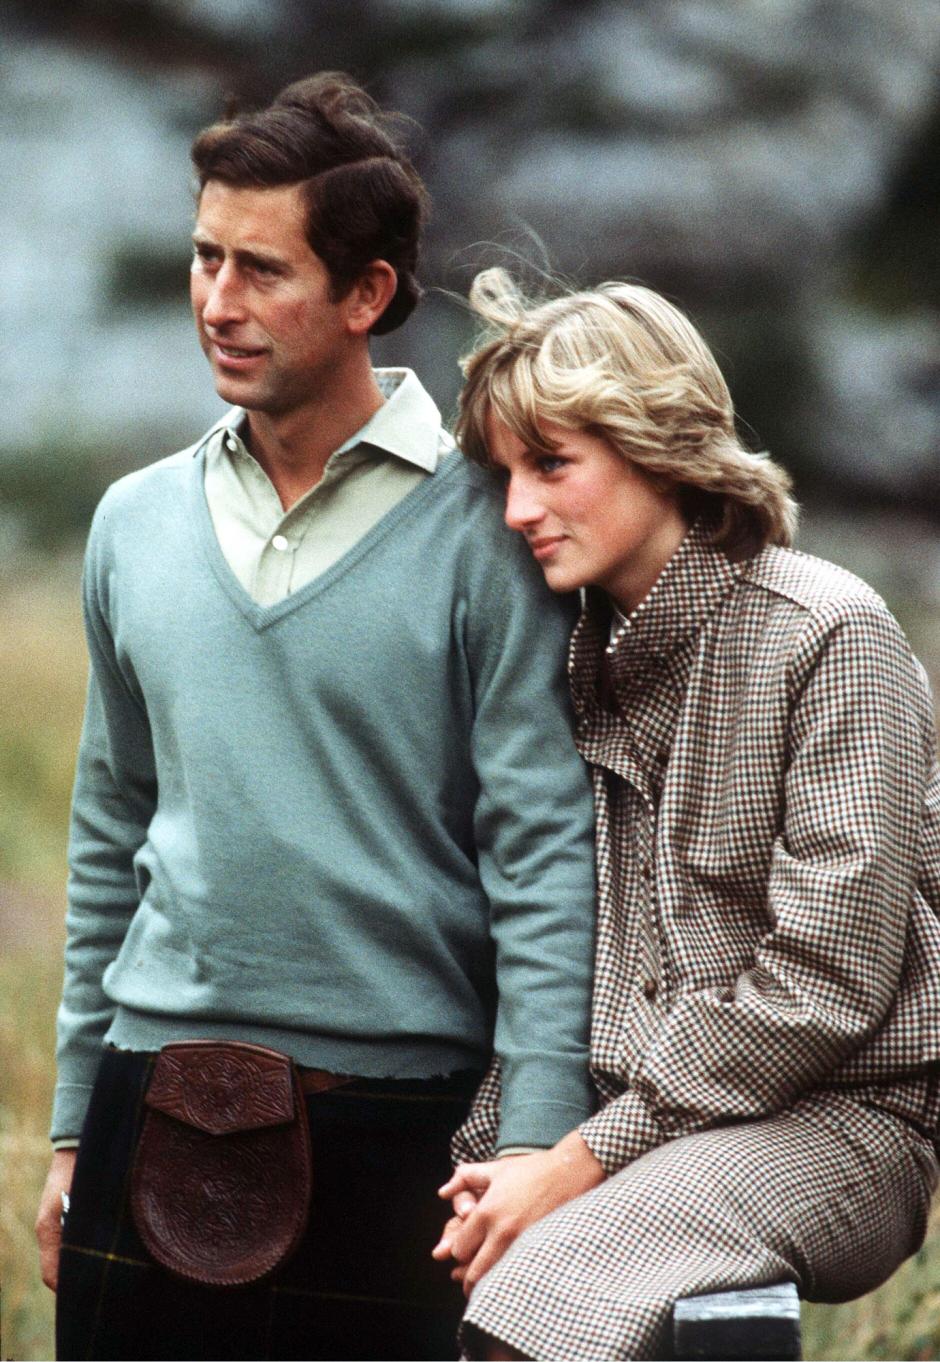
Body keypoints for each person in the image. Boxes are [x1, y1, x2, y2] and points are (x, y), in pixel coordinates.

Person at [35, 83, 598, 1362]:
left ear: (366, 294)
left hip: (408, 1122)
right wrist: (75, 1122)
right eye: (204, 257)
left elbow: (543, 846)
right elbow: (113, 821)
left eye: (262, 269)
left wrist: (531, 1139)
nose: (217, 301)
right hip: (147, 1094)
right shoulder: (133, 521)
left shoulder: (489, 529)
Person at [433, 268, 940, 1360]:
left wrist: (576, 1160)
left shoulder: (827, 636)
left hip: (841, 1124)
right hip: (634, 1118)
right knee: (417, 1243)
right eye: (506, 473)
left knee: (542, 1288)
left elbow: (827, 980)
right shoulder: (569, 657)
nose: (517, 509)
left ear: (658, 446)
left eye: (552, 464)